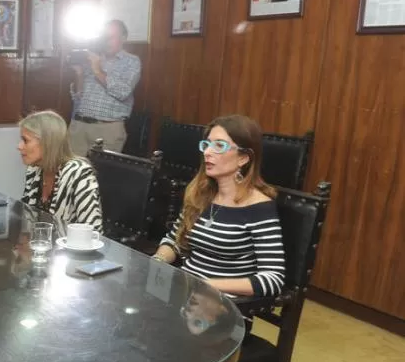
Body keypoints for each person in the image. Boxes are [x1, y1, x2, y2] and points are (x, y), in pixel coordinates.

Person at [152, 114, 285, 298]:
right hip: (184, 292)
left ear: (243, 158)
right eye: (206, 145)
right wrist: (157, 262)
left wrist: (206, 285)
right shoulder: (200, 195)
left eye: (219, 146)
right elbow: (175, 241)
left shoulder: (259, 207)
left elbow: (273, 279)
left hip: (220, 306)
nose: (207, 152)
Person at [18, 110, 103, 229]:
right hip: (43, 244)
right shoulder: (34, 170)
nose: (19, 146)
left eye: (25, 140)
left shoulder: (78, 172)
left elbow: (94, 232)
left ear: (47, 142)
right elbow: (28, 220)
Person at [68, 19, 142, 156]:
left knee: (101, 175)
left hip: (107, 130)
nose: (106, 41)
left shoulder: (131, 61)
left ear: (123, 38)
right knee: (74, 174)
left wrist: (97, 70)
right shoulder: (92, 58)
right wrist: (79, 73)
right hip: (79, 127)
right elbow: (77, 97)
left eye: (111, 37)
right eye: (104, 37)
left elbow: (123, 92)